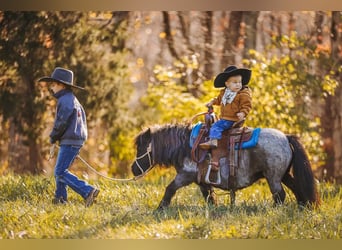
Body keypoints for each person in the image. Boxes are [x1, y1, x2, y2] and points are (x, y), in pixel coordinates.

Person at [38, 67, 100, 207]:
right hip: (74, 139)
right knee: (60, 170)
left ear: (61, 85)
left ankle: (88, 191)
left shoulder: (65, 100)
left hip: (70, 140)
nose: (51, 87)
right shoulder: (71, 99)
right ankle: (60, 199)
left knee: (60, 171)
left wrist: (53, 137)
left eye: (53, 84)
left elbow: (62, 121)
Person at [199, 65, 252, 149]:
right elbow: (219, 100)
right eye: (235, 82)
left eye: (240, 82)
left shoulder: (243, 94)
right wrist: (212, 102)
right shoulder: (225, 93)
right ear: (227, 84)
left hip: (232, 119)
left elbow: (247, 105)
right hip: (225, 118)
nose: (238, 84)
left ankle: (213, 141)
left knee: (216, 126)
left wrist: (242, 113)